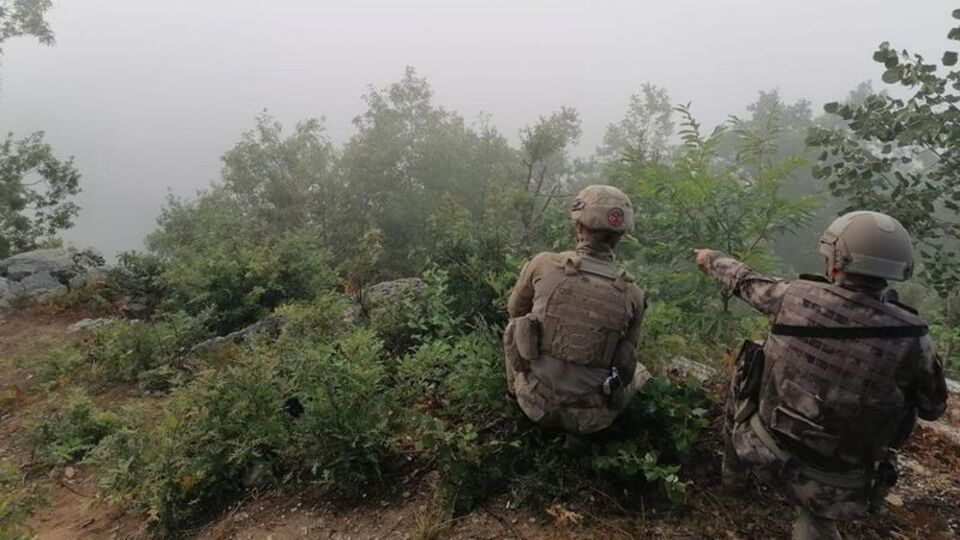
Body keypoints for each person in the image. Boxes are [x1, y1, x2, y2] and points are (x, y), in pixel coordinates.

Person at [694, 211, 948, 540]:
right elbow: (933, 407)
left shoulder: (794, 298)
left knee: (750, 359)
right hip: (842, 483)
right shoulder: (913, 337)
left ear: (834, 259)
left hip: (764, 448)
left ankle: (733, 478)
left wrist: (710, 258)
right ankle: (814, 522)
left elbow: (745, 281)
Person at [504, 185, 649, 435]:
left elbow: (515, 309)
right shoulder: (632, 293)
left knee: (514, 326)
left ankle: (512, 396)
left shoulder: (543, 265)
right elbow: (626, 353)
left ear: (579, 226)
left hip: (534, 403)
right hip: (590, 419)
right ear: (620, 236)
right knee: (640, 369)